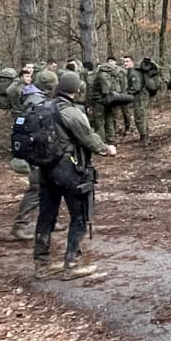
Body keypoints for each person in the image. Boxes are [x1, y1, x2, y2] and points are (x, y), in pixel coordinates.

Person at [34, 70, 116, 279]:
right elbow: (88, 138)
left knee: (46, 216)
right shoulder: (70, 112)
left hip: (44, 170)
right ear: (77, 89)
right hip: (69, 170)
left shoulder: (41, 107)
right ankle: (71, 264)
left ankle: (41, 264)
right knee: (79, 215)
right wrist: (107, 149)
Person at [11, 69, 55, 240]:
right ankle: (20, 225)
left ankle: (49, 219)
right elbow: (36, 127)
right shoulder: (36, 101)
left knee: (51, 185)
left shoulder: (34, 97)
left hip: (41, 149)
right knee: (37, 187)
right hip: (36, 151)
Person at [121, 55, 147, 142]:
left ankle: (144, 138)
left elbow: (136, 87)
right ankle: (144, 136)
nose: (125, 63)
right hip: (138, 96)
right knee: (141, 116)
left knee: (139, 117)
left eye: (127, 61)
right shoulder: (131, 71)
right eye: (124, 62)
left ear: (132, 62)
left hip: (139, 97)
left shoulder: (133, 73)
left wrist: (127, 93)